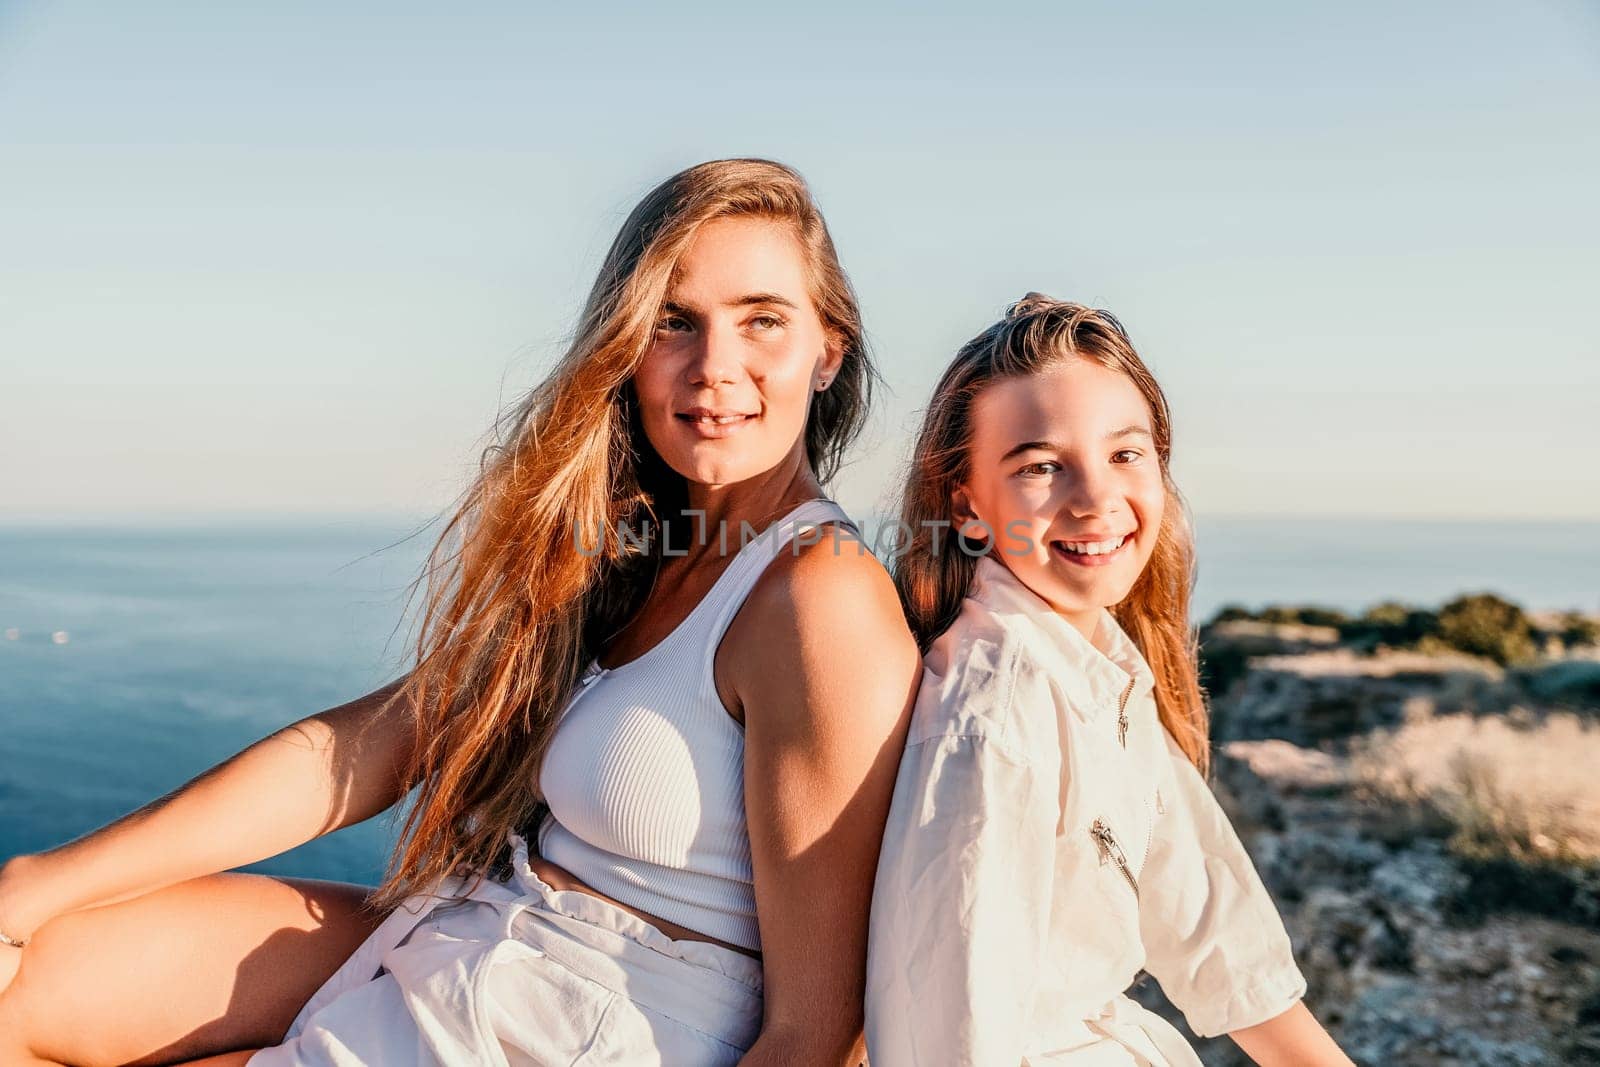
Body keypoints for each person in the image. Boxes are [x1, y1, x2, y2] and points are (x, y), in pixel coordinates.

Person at [0, 158, 920, 1067]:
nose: (715, 365)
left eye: (763, 320)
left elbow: (818, 1032)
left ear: (828, 347)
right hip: (473, 944)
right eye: (674, 322)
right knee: (25, 974)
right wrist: (35, 883)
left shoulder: (819, 596)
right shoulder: (644, 556)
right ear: (628, 348)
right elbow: (385, 738)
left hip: (577, 1023)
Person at [864, 294, 1353, 1066]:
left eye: (1125, 454)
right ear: (968, 507)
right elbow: (948, 1035)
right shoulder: (999, 711)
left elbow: (1216, 934)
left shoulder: (1099, 667)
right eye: (1041, 466)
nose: (1095, 500)